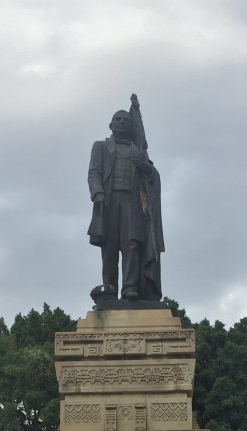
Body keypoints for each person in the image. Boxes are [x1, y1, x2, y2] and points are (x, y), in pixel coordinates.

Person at [87, 93, 164, 306]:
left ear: (131, 127)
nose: (122, 122)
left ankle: (130, 286)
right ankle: (109, 287)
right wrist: (98, 193)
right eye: (118, 119)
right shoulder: (100, 147)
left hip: (133, 203)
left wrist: (147, 168)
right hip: (108, 202)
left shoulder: (138, 150)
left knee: (132, 244)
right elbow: (93, 173)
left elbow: (151, 176)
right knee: (109, 247)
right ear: (110, 125)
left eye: (126, 120)